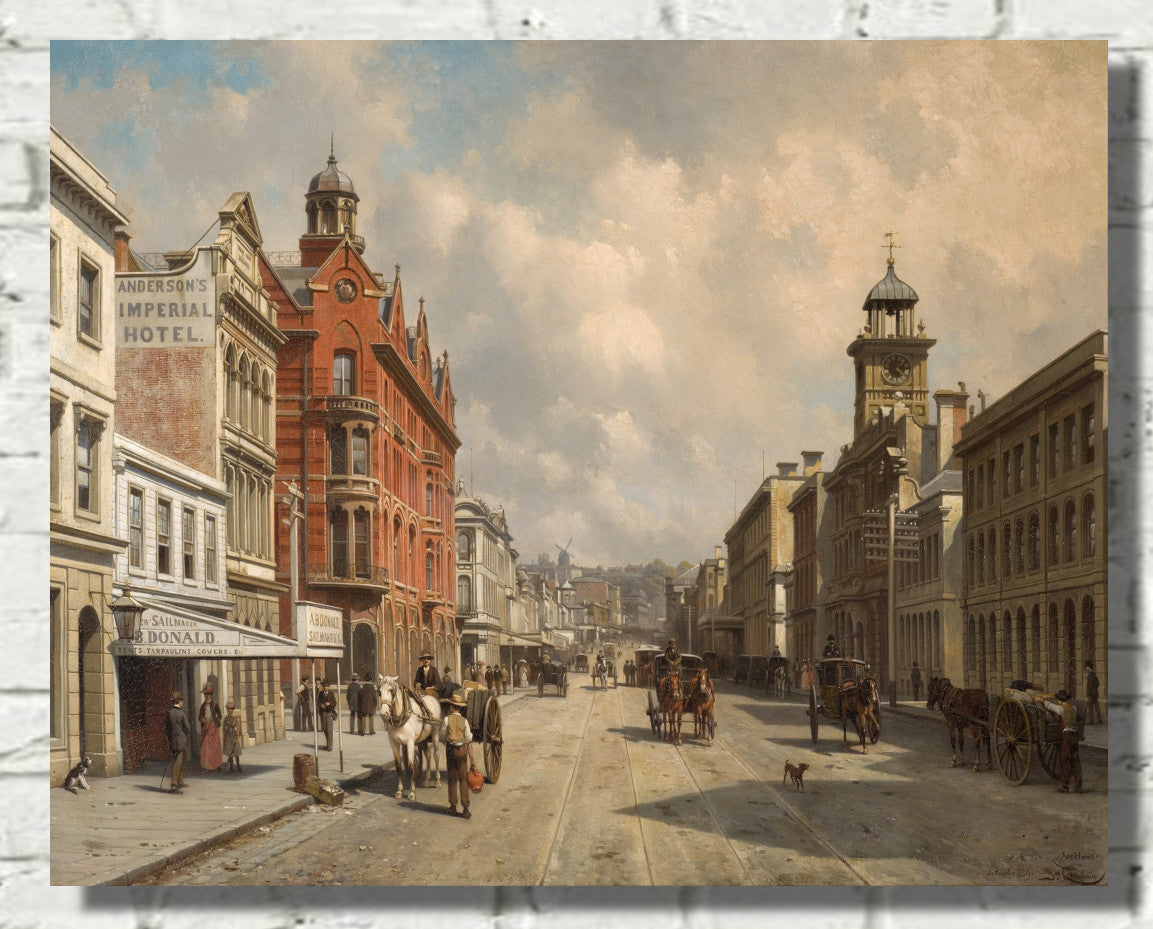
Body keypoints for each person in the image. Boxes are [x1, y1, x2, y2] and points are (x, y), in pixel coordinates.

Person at [1035, 689, 1083, 792]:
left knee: (1064, 759)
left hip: (1066, 735)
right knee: (1075, 759)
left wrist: (1041, 700)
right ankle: (1079, 785)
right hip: (1075, 735)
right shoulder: (1073, 708)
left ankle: (1065, 786)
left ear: (1059, 701)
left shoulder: (1061, 709)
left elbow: (1050, 706)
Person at [439, 689, 474, 819]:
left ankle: (453, 807)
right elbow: (468, 739)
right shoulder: (464, 721)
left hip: (450, 750)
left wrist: (448, 743)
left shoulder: (447, 720)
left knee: (452, 779)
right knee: (463, 779)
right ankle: (465, 809)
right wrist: (473, 762)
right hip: (462, 751)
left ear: (452, 707)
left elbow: (442, 736)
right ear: (459, 708)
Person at [164, 692, 191, 794]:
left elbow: (167, 729)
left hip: (173, 741)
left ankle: (180, 781)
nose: (182, 703)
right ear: (179, 702)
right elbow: (187, 728)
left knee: (178, 760)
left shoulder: (169, 713)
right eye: (181, 701)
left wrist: (170, 739)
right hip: (181, 741)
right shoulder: (181, 713)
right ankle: (174, 784)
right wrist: (185, 737)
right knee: (178, 762)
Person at [198, 685, 222, 772]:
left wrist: (215, 719)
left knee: (215, 747)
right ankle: (208, 766)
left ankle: (217, 765)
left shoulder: (215, 704)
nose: (207, 696)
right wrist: (203, 720)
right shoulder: (203, 706)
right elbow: (199, 717)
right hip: (206, 727)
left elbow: (219, 715)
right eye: (205, 694)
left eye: (208, 694)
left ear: (211, 695)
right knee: (206, 747)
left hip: (214, 728)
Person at [222, 700, 244, 773]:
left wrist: (237, 736)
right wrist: (224, 735)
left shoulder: (235, 718)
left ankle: (238, 765)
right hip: (228, 737)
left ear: (233, 709)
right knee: (229, 752)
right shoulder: (226, 719)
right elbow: (224, 728)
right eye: (228, 709)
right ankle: (231, 767)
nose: (229, 710)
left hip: (234, 737)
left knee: (236, 752)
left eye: (230, 709)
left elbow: (238, 728)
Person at [316, 679, 337, 750]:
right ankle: (328, 744)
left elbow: (334, 703)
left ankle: (330, 746)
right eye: (324, 686)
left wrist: (330, 704)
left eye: (326, 686)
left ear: (329, 686)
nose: (325, 687)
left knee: (329, 729)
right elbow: (318, 702)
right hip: (323, 713)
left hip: (329, 713)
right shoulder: (321, 693)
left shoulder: (331, 693)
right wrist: (321, 705)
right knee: (325, 729)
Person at [358, 669, 378, 735]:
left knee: (363, 718)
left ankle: (363, 731)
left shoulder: (362, 688)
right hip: (371, 705)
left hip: (363, 705)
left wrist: (360, 705)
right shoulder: (372, 688)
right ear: (370, 680)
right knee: (371, 718)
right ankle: (371, 731)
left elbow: (360, 697)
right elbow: (374, 697)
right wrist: (375, 704)